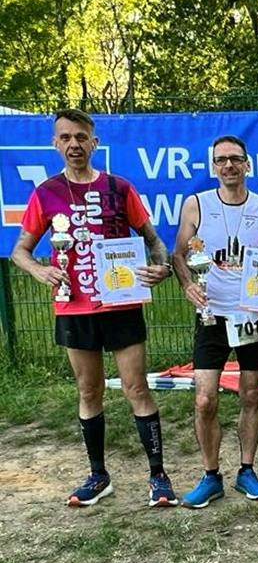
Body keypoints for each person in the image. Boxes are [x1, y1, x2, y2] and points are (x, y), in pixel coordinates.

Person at [12, 108, 178, 507]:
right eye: (66, 137)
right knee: (89, 391)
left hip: (120, 304)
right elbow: (20, 250)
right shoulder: (46, 193)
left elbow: (154, 239)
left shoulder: (119, 188)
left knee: (137, 387)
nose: (74, 144)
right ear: (55, 144)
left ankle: (159, 477)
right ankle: (98, 475)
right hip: (74, 307)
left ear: (94, 143)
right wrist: (39, 271)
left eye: (81, 137)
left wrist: (161, 266)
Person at [172, 135, 258, 509]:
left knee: (252, 392)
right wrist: (188, 285)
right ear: (213, 166)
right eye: (221, 160)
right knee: (205, 398)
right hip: (211, 314)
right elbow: (178, 254)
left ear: (247, 165)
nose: (228, 166)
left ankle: (246, 470)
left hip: (250, 314)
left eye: (235, 159)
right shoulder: (196, 205)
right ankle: (210, 476)